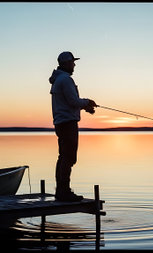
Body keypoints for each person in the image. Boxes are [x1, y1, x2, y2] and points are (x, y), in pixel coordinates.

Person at [49, 51, 96, 201]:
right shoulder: (65, 79)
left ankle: (61, 191)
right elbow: (73, 101)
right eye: (72, 62)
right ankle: (64, 192)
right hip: (68, 123)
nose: (74, 65)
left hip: (61, 122)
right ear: (66, 63)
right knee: (69, 157)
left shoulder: (59, 80)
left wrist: (85, 107)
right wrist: (87, 102)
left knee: (63, 156)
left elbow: (70, 102)